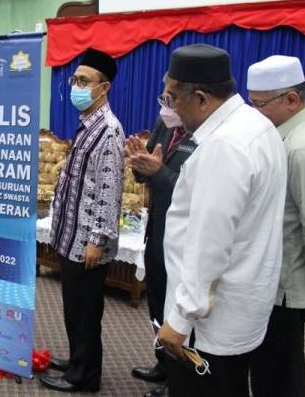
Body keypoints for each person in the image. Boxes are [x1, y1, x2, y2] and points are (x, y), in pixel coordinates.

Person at [156, 44, 287, 397]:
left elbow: (209, 242)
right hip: (242, 308)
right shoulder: (257, 126)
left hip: (209, 322)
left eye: (171, 99)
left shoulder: (225, 146)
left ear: (199, 98)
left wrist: (181, 318)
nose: (170, 109)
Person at [39, 48, 125, 393]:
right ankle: (78, 360)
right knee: (74, 306)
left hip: (87, 242)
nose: (76, 86)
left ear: (103, 88)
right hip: (71, 235)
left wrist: (97, 240)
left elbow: (109, 189)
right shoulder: (89, 124)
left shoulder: (108, 130)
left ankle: (84, 376)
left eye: (84, 81)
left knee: (86, 311)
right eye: (75, 79)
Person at [246, 55, 305, 397]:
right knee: (271, 370)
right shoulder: (287, 136)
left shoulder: (302, 147)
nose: (254, 113)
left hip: (287, 288)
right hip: (274, 282)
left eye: (259, 104)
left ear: (291, 100)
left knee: (279, 375)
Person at [129, 88, 197, 397]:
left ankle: (178, 381)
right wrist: (138, 164)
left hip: (185, 238)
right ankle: (163, 363)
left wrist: (159, 172)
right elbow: (149, 171)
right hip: (157, 231)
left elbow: (193, 192)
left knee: (178, 307)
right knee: (157, 300)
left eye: (171, 99)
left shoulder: (207, 139)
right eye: (162, 98)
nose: (165, 106)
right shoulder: (165, 123)